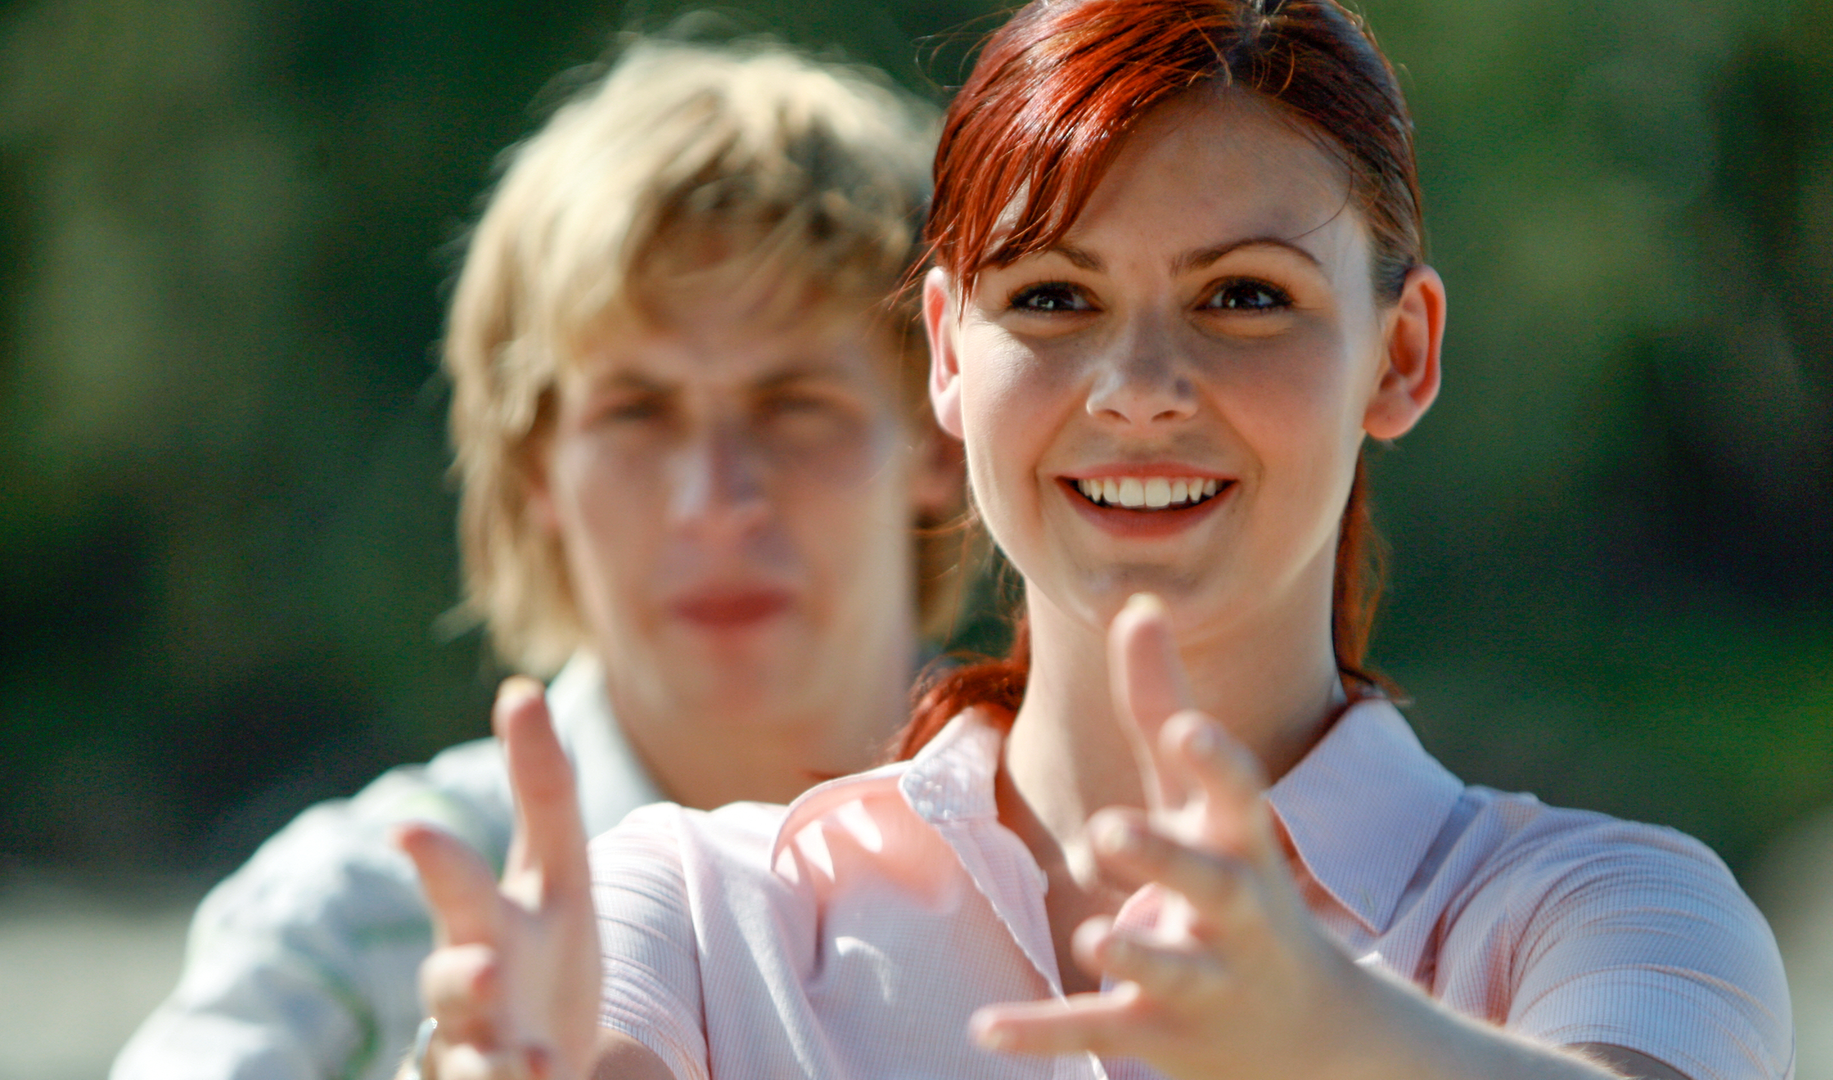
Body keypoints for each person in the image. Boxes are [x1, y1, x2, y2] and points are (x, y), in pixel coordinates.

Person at [400, 1, 1795, 1078]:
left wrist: (1333, 1035)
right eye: (1054, 298)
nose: (1138, 389)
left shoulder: (1604, 915)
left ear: (1403, 353)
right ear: (946, 356)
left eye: (1244, 296)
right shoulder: (698, 916)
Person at [112, 39, 961, 1080]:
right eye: (636, 413)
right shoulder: (349, 930)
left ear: (941, 438)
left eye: (796, 405)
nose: (716, 504)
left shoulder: (1100, 886)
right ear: (534, 471)